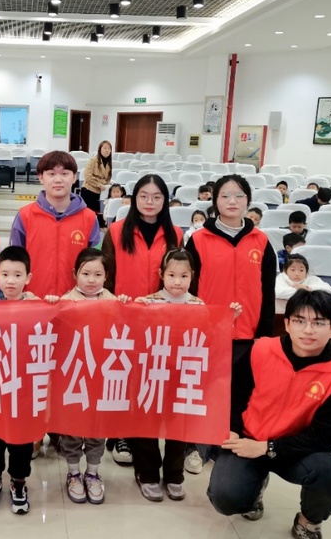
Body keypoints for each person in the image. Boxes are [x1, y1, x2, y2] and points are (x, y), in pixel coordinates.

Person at [207, 290, 331, 539]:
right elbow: (233, 394)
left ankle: (308, 522)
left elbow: (326, 437)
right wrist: (232, 427)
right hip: (248, 440)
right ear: (287, 324)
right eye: (300, 321)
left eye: (318, 323)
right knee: (225, 497)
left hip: (299, 450)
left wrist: (269, 448)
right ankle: (253, 492)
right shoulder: (260, 350)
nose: (308, 330)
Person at [185, 174, 276, 470]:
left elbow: (268, 291)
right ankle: (196, 447)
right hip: (208, 332)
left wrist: (264, 335)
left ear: (248, 200)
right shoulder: (198, 239)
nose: (232, 201)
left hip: (248, 333)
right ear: (215, 201)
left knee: (238, 394)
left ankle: (226, 447)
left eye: (239, 195)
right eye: (225, 195)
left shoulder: (261, 241)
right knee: (205, 390)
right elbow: (189, 288)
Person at [135, 249, 242, 487]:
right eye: (171, 275)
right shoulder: (148, 301)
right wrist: (135, 311)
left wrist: (228, 318)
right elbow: (136, 334)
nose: (177, 281)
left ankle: (174, 474)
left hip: (182, 376)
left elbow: (208, 337)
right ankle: (147, 473)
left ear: (192, 276)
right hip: (153, 373)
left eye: (184, 276)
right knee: (148, 425)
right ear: (161, 274)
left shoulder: (198, 304)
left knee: (179, 427)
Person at [101, 173, 182, 467]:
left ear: (165, 201)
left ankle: (144, 434)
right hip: (123, 317)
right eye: (144, 196)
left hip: (161, 320)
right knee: (123, 377)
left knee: (150, 379)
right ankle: (120, 434)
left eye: (157, 197)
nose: (150, 202)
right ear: (134, 199)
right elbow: (107, 274)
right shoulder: (116, 230)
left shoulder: (176, 235)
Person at [40, 248, 126, 504]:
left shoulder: (114, 301)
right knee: (72, 430)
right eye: (85, 273)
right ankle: (74, 473)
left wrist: (127, 307)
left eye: (98, 274)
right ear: (75, 274)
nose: (91, 280)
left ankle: (93, 473)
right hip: (73, 378)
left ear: (106, 276)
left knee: (97, 429)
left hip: (101, 378)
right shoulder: (64, 301)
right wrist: (50, 307)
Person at [0, 245, 35, 514]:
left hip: (24, 389)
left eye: (17, 275)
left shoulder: (37, 307)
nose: (11, 281)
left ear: (28, 278)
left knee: (21, 439)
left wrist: (50, 304)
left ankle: (19, 482)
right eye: (5, 274)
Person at [10, 151, 100, 297]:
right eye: (51, 174)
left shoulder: (89, 217)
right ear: (41, 177)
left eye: (64, 174)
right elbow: (14, 262)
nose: (58, 180)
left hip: (76, 302)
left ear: (74, 177)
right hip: (34, 300)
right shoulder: (25, 216)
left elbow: (97, 263)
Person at [80, 141, 112, 224]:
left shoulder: (108, 163)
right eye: (105, 148)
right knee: (89, 216)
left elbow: (108, 178)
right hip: (89, 190)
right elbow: (88, 176)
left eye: (109, 149)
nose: (107, 150)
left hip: (101, 192)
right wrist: (99, 184)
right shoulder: (93, 160)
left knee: (97, 217)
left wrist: (107, 184)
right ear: (100, 149)